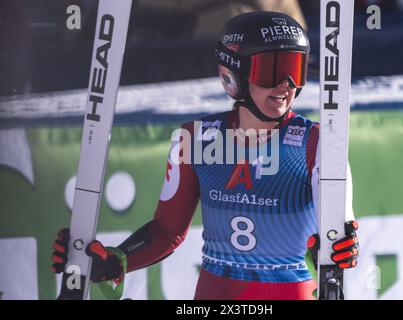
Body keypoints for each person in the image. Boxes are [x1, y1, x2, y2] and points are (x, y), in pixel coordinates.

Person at [51, 11, 359, 300]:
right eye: (271, 71)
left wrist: (340, 247)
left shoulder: (316, 142)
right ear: (232, 75)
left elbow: (338, 230)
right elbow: (166, 231)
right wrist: (116, 261)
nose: (285, 86)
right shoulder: (197, 139)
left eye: (294, 71)